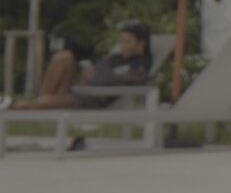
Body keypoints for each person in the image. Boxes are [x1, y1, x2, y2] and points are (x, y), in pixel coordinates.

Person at [0, 23, 158, 151]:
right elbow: (100, 73)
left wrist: (99, 75)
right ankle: (26, 103)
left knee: (47, 100)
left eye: (127, 42)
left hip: (93, 101)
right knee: (65, 56)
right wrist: (91, 74)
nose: (122, 46)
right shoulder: (115, 58)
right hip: (81, 92)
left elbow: (121, 81)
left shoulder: (141, 64)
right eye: (121, 42)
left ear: (141, 44)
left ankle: (14, 105)